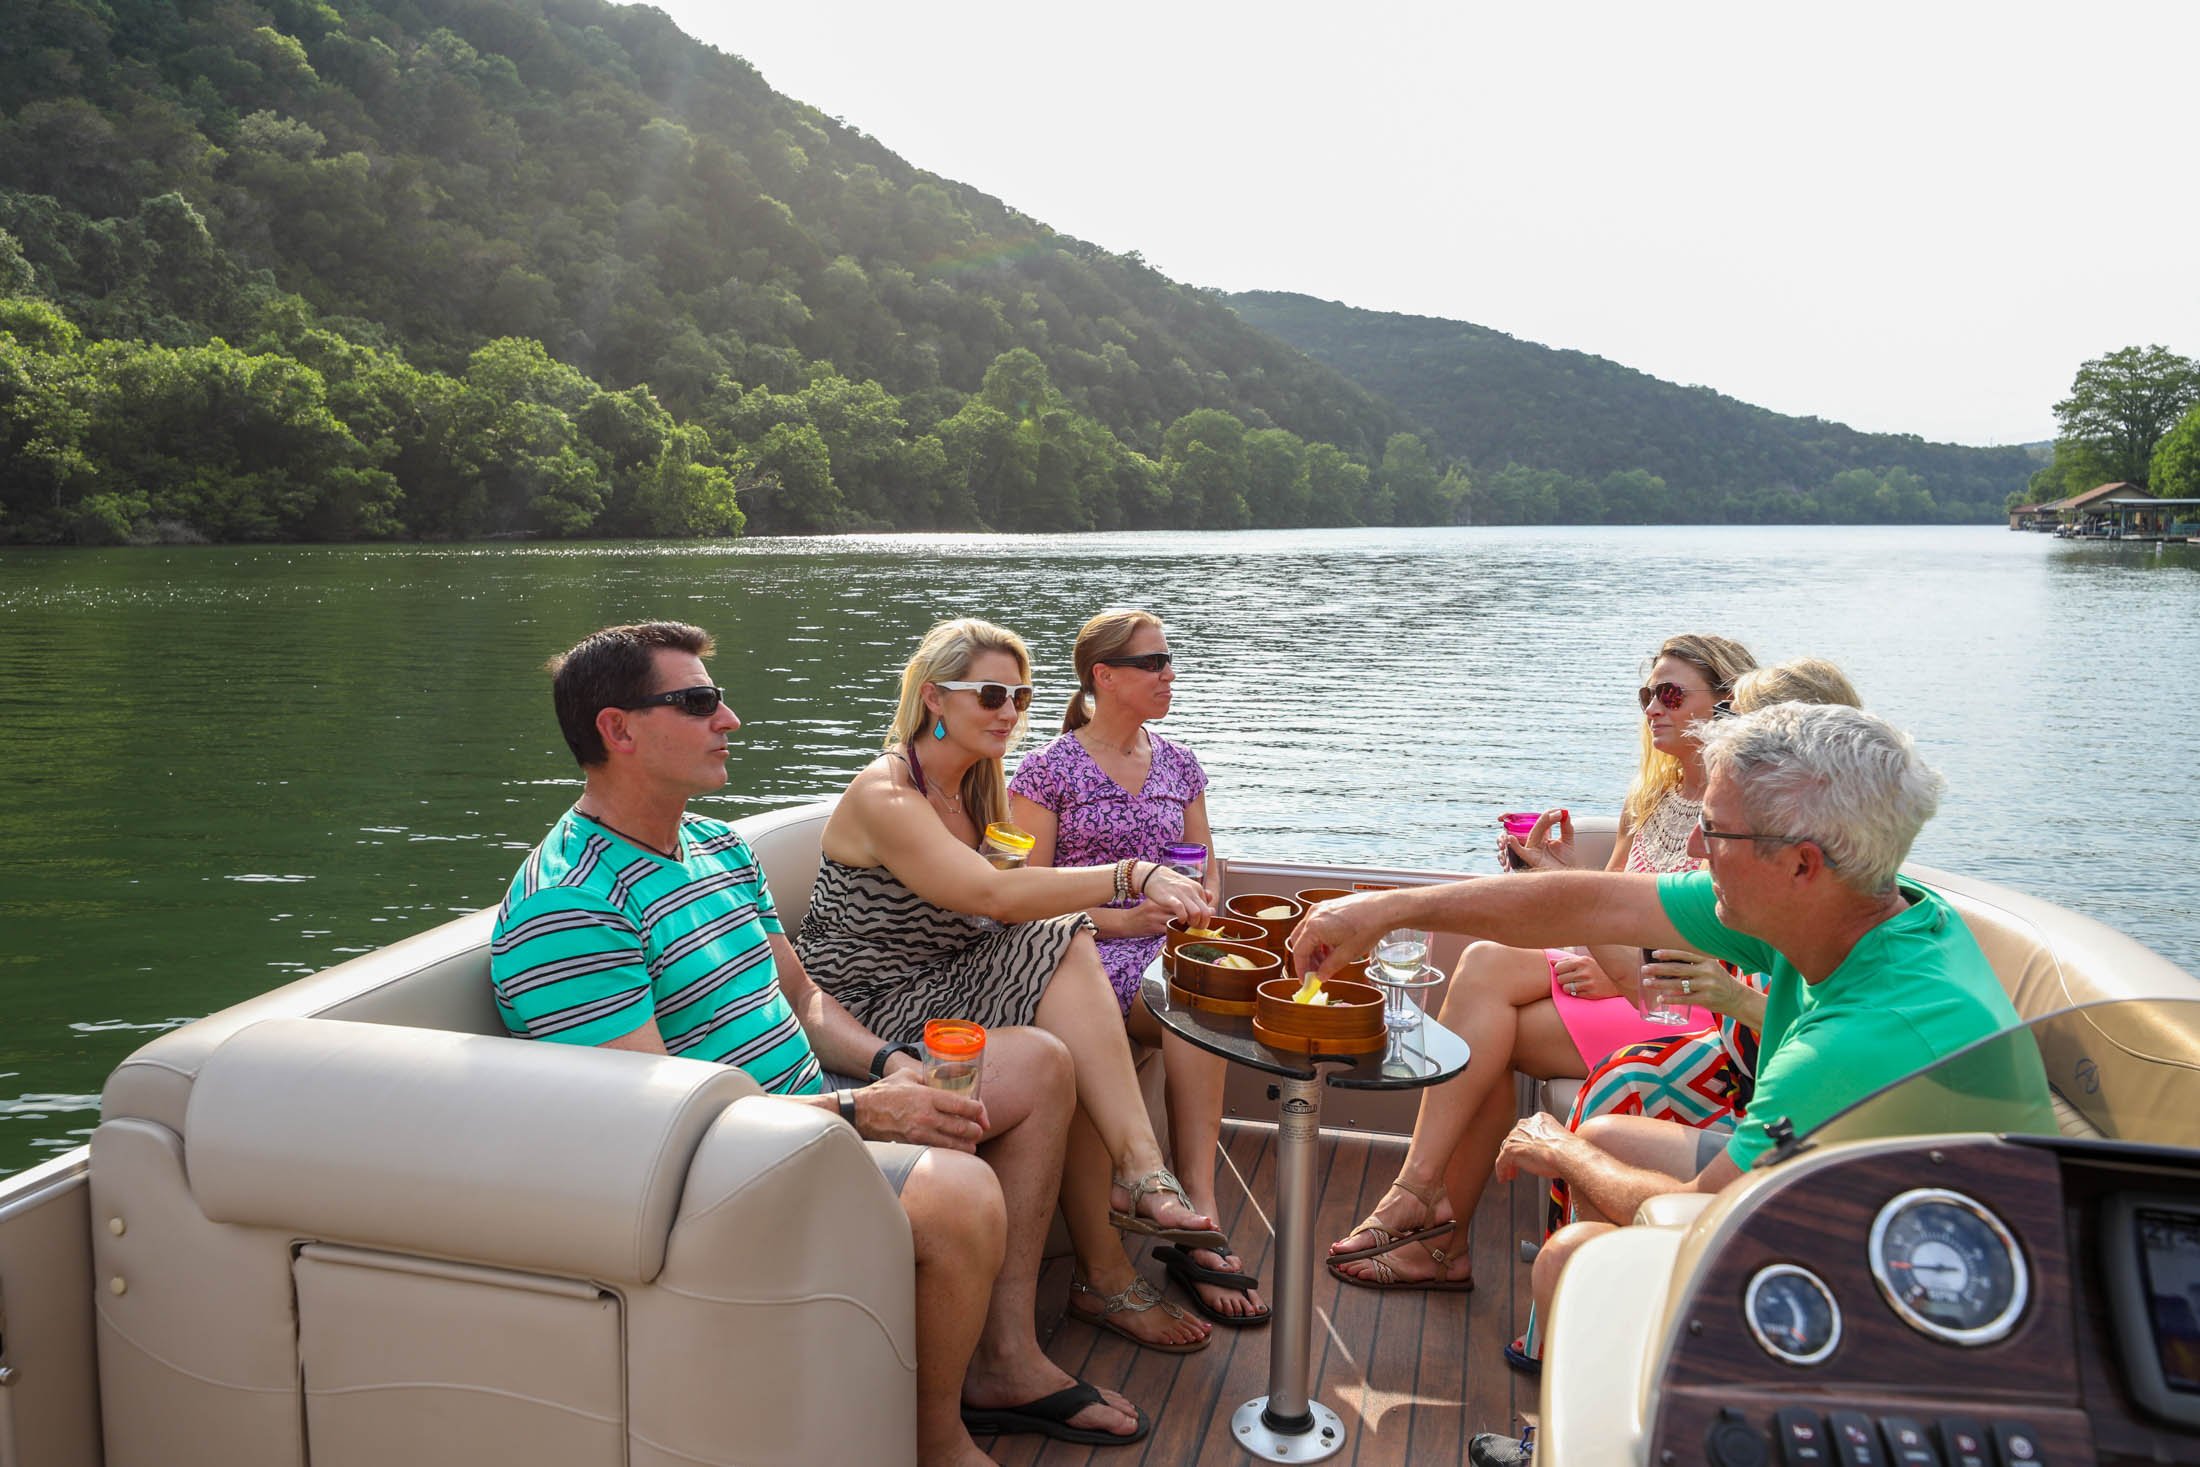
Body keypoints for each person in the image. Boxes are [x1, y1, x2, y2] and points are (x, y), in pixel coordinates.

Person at [1287, 702, 2056, 1467]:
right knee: (1611, 1135)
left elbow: (1705, 1223)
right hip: (1865, 1202)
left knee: (1570, 1253)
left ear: (1801, 862)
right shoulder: (1852, 910)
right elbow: (1589, 899)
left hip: (1923, 1321)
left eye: (1716, 831)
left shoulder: (1861, 1040)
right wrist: (1390, 908)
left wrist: (1563, 1153)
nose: (1693, 844)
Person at [489, 622, 1146, 1465]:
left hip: (813, 1111)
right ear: (617, 730)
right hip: (728, 1165)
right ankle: (934, 1438)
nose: (728, 718)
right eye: (696, 702)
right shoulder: (572, 905)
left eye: (717, 697)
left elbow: (804, 999)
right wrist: (861, 1109)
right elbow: (656, 1125)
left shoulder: (716, 847)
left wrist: (886, 1062)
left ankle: (1005, 1359)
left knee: (1039, 1062)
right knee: (959, 1194)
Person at [797, 617, 1229, 1354]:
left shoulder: (977, 788)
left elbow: (1004, 898)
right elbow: (994, 898)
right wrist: (1131, 875)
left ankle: (1139, 1180)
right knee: (1066, 937)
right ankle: (1137, 1179)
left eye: (1020, 696)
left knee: (1074, 950)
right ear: (934, 697)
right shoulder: (888, 791)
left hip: (944, 982)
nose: (1009, 711)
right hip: (867, 1001)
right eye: (991, 694)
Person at [1324, 633, 1756, 1292]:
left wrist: (1582, 929)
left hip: (1686, 1005)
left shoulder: (1739, 817)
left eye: (1670, 694)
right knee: (1484, 992)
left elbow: (1693, 958)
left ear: (1725, 703)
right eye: (1646, 694)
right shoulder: (1648, 799)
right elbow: (1606, 904)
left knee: (1479, 1020)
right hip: (1615, 975)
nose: (1652, 709)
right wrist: (1559, 888)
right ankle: (1432, 1230)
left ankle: (1428, 1221)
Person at [1510, 657, 1866, 1371]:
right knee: (1599, 1082)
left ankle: (1571, 1286)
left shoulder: (1815, 882)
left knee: (1613, 1093)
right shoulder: (1772, 858)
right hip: (1739, 1054)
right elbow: (1623, 921)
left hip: (1779, 1108)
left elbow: (1812, 1045)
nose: (1719, 733)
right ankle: (1542, 1271)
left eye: (1736, 721)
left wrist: (1732, 997)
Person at [1007, 609, 1269, 1327]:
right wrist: (1126, 919)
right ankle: (1193, 1218)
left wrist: (1194, 910)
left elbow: (1202, 866)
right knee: (1190, 998)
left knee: (1205, 986)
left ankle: (1197, 1204)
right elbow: (1025, 899)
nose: (1168, 674)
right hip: (1082, 951)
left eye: (1168, 660)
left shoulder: (1180, 763)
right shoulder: (1047, 769)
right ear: (1104, 676)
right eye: (1153, 663)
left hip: (1166, 944)